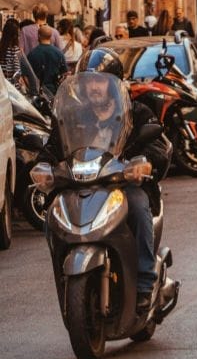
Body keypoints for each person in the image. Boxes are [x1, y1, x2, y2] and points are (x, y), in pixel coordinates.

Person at [40, 47, 172, 315]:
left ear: (114, 83)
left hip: (123, 185)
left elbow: (159, 145)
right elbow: (53, 146)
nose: (94, 88)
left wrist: (144, 162)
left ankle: (146, 282)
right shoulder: (75, 114)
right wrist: (41, 166)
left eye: (99, 81)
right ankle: (65, 280)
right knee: (52, 214)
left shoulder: (136, 112)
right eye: (88, 82)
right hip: (81, 185)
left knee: (138, 206)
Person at [0, 17, 40, 92]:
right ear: (14, 36)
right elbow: (17, 72)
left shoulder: (1, 48)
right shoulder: (15, 50)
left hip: (2, 88)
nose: (19, 38)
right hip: (12, 90)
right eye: (18, 35)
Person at [27, 24, 69, 95]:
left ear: (39, 36)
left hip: (37, 92)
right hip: (54, 91)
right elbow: (65, 73)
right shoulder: (59, 53)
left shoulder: (32, 54)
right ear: (51, 36)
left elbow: (27, 75)